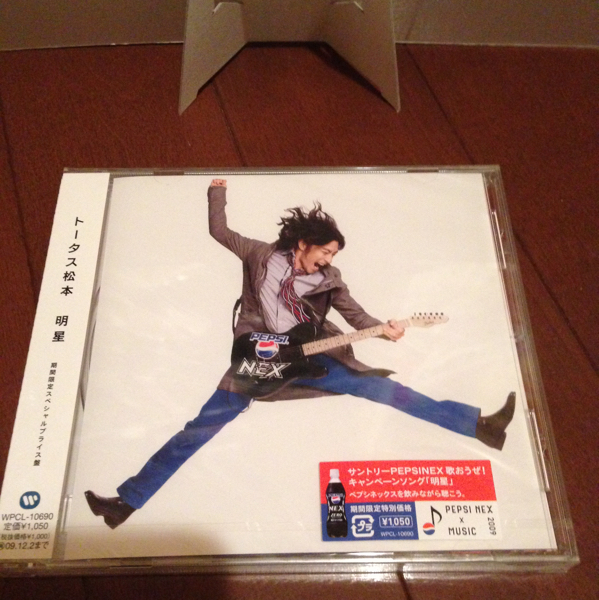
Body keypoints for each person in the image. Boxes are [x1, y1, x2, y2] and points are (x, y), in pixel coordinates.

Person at [85, 179, 515, 529]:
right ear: (304, 243)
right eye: (324, 252)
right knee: (200, 428)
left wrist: (385, 330)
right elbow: (219, 231)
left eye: (333, 255)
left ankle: (480, 426)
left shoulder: (331, 278)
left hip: (314, 357)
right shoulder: (258, 254)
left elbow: (355, 314)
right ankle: (125, 504)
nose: (327, 260)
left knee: (386, 390)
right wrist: (217, 189)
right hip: (258, 359)